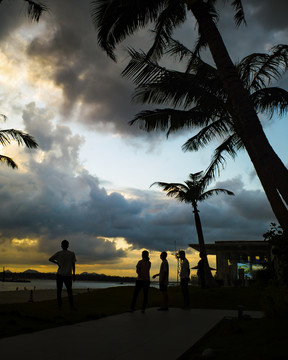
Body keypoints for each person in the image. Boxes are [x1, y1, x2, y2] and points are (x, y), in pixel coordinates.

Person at [49, 239, 76, 310]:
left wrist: (57, 263)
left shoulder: (59, 253)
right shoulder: (71, 254)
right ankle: (71, 306)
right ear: (68, 246)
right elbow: (73, 265)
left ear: (61, 246)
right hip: (68, 275)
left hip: (60, 275)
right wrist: (74, 274)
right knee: (69, 291)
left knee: (59, 291)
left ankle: (59, 306)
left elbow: (50, 259)